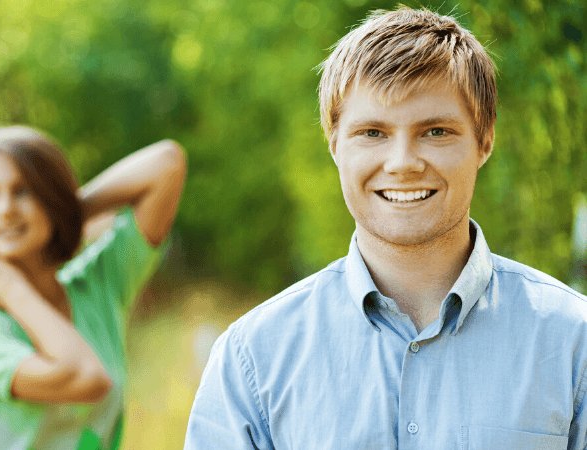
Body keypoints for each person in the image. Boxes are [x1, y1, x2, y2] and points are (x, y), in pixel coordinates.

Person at [185, 7, 587, 449]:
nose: (402, 163)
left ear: (485, 140)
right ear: (334, 142)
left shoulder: (573, 341)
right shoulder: (254, 358)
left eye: (435, 131)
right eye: (373, 133)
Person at [0, 125, 185, 449]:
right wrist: (14, 293)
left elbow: (166, 164)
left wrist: (67, 214)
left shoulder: (98, 285)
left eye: (24, 191)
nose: (5, 208)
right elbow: (87, 379)